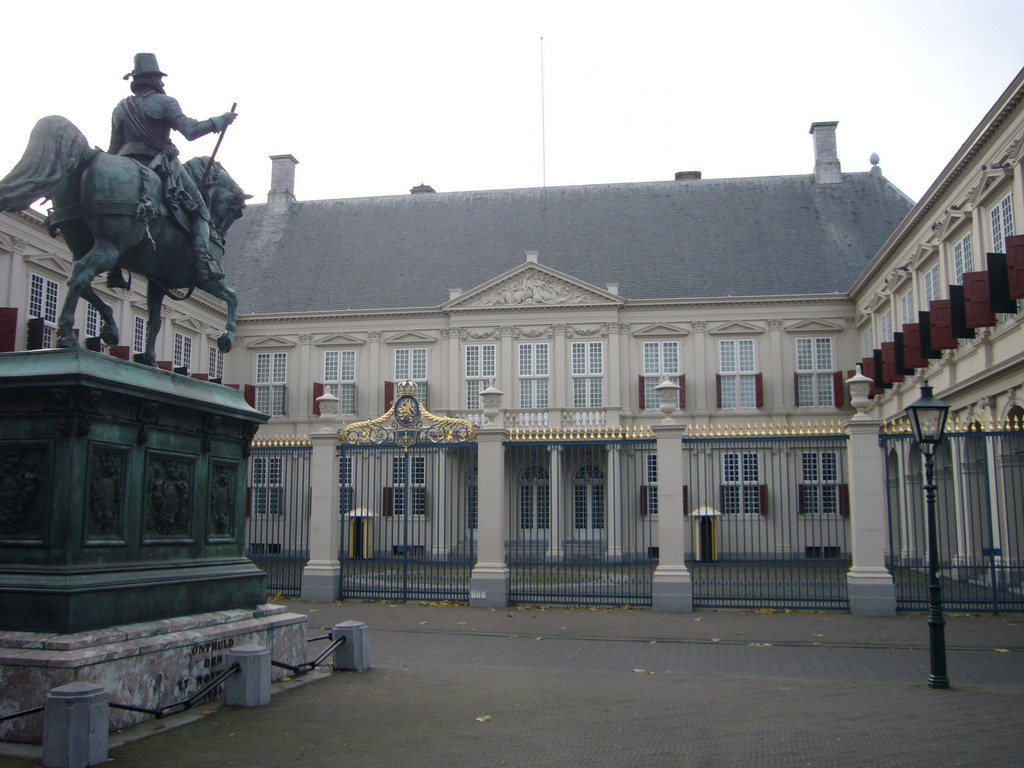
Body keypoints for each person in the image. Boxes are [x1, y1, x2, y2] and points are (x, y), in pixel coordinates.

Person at [108, 53, 236, 283]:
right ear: (156, 80)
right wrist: (221, 120)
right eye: (159, 79)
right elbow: (191, 131)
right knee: (200, 211)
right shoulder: (164, 102)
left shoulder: (121, 107)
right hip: (157, 164)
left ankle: (113, 267)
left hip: (125, 163)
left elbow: (113, 149)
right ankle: (203, 263)